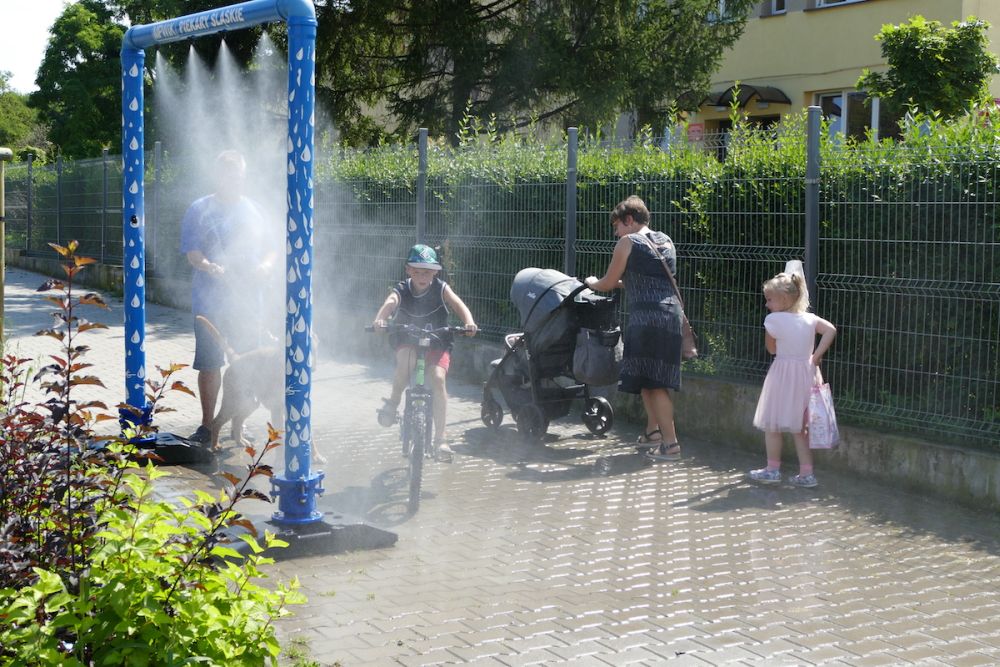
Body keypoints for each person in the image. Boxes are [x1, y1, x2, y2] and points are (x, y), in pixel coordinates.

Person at [180, 150, 279, 444]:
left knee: (247, 366)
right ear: (218, 176)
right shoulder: (199, 209)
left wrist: (266, 265)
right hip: (209, 303)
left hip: (248, 306)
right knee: (210, 364)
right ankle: (208, 425)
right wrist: (207, 265)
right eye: (229, 176)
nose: (234, 181)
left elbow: (273, 248)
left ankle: (238, 427)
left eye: (239, 177)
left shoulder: (254, 210)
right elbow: (192, 252)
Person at [585, 195, 683, 462]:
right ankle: (653, 433)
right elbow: (644, 281)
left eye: (617, 226)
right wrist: (615, 282)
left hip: (647, 319)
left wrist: (592, 282)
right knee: (650, 381)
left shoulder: (628, 241)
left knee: (655, 384)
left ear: (629, 221)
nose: (616, 232)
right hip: (670, 315)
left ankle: (671, 445)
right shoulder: (665, 241)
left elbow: (607, 282)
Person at [372, 244, 478, 462]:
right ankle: (393, 403)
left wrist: (469, 322)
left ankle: (441, 439)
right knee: (405, 364)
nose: (423, 276)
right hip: (408, 339)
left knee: (438, 380)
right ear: (408, 270)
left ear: (435, 272)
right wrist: (381, 318)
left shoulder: (441, 287)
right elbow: (390, 302)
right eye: (418, 271)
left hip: (438, 339)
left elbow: (458, 304)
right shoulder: (402, 288)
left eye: (428, 271)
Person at [748, 263, 837, 488]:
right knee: (800, 427)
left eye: (770, 299)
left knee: (773, 424)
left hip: (783, 374)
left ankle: (772, 469)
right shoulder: (810, 319)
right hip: (808, 373)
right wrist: (815, 356)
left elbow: (772, 350)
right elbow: (831, 330)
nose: (767, 304)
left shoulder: (773, 321)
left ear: (784, 300)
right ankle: (807, 474)